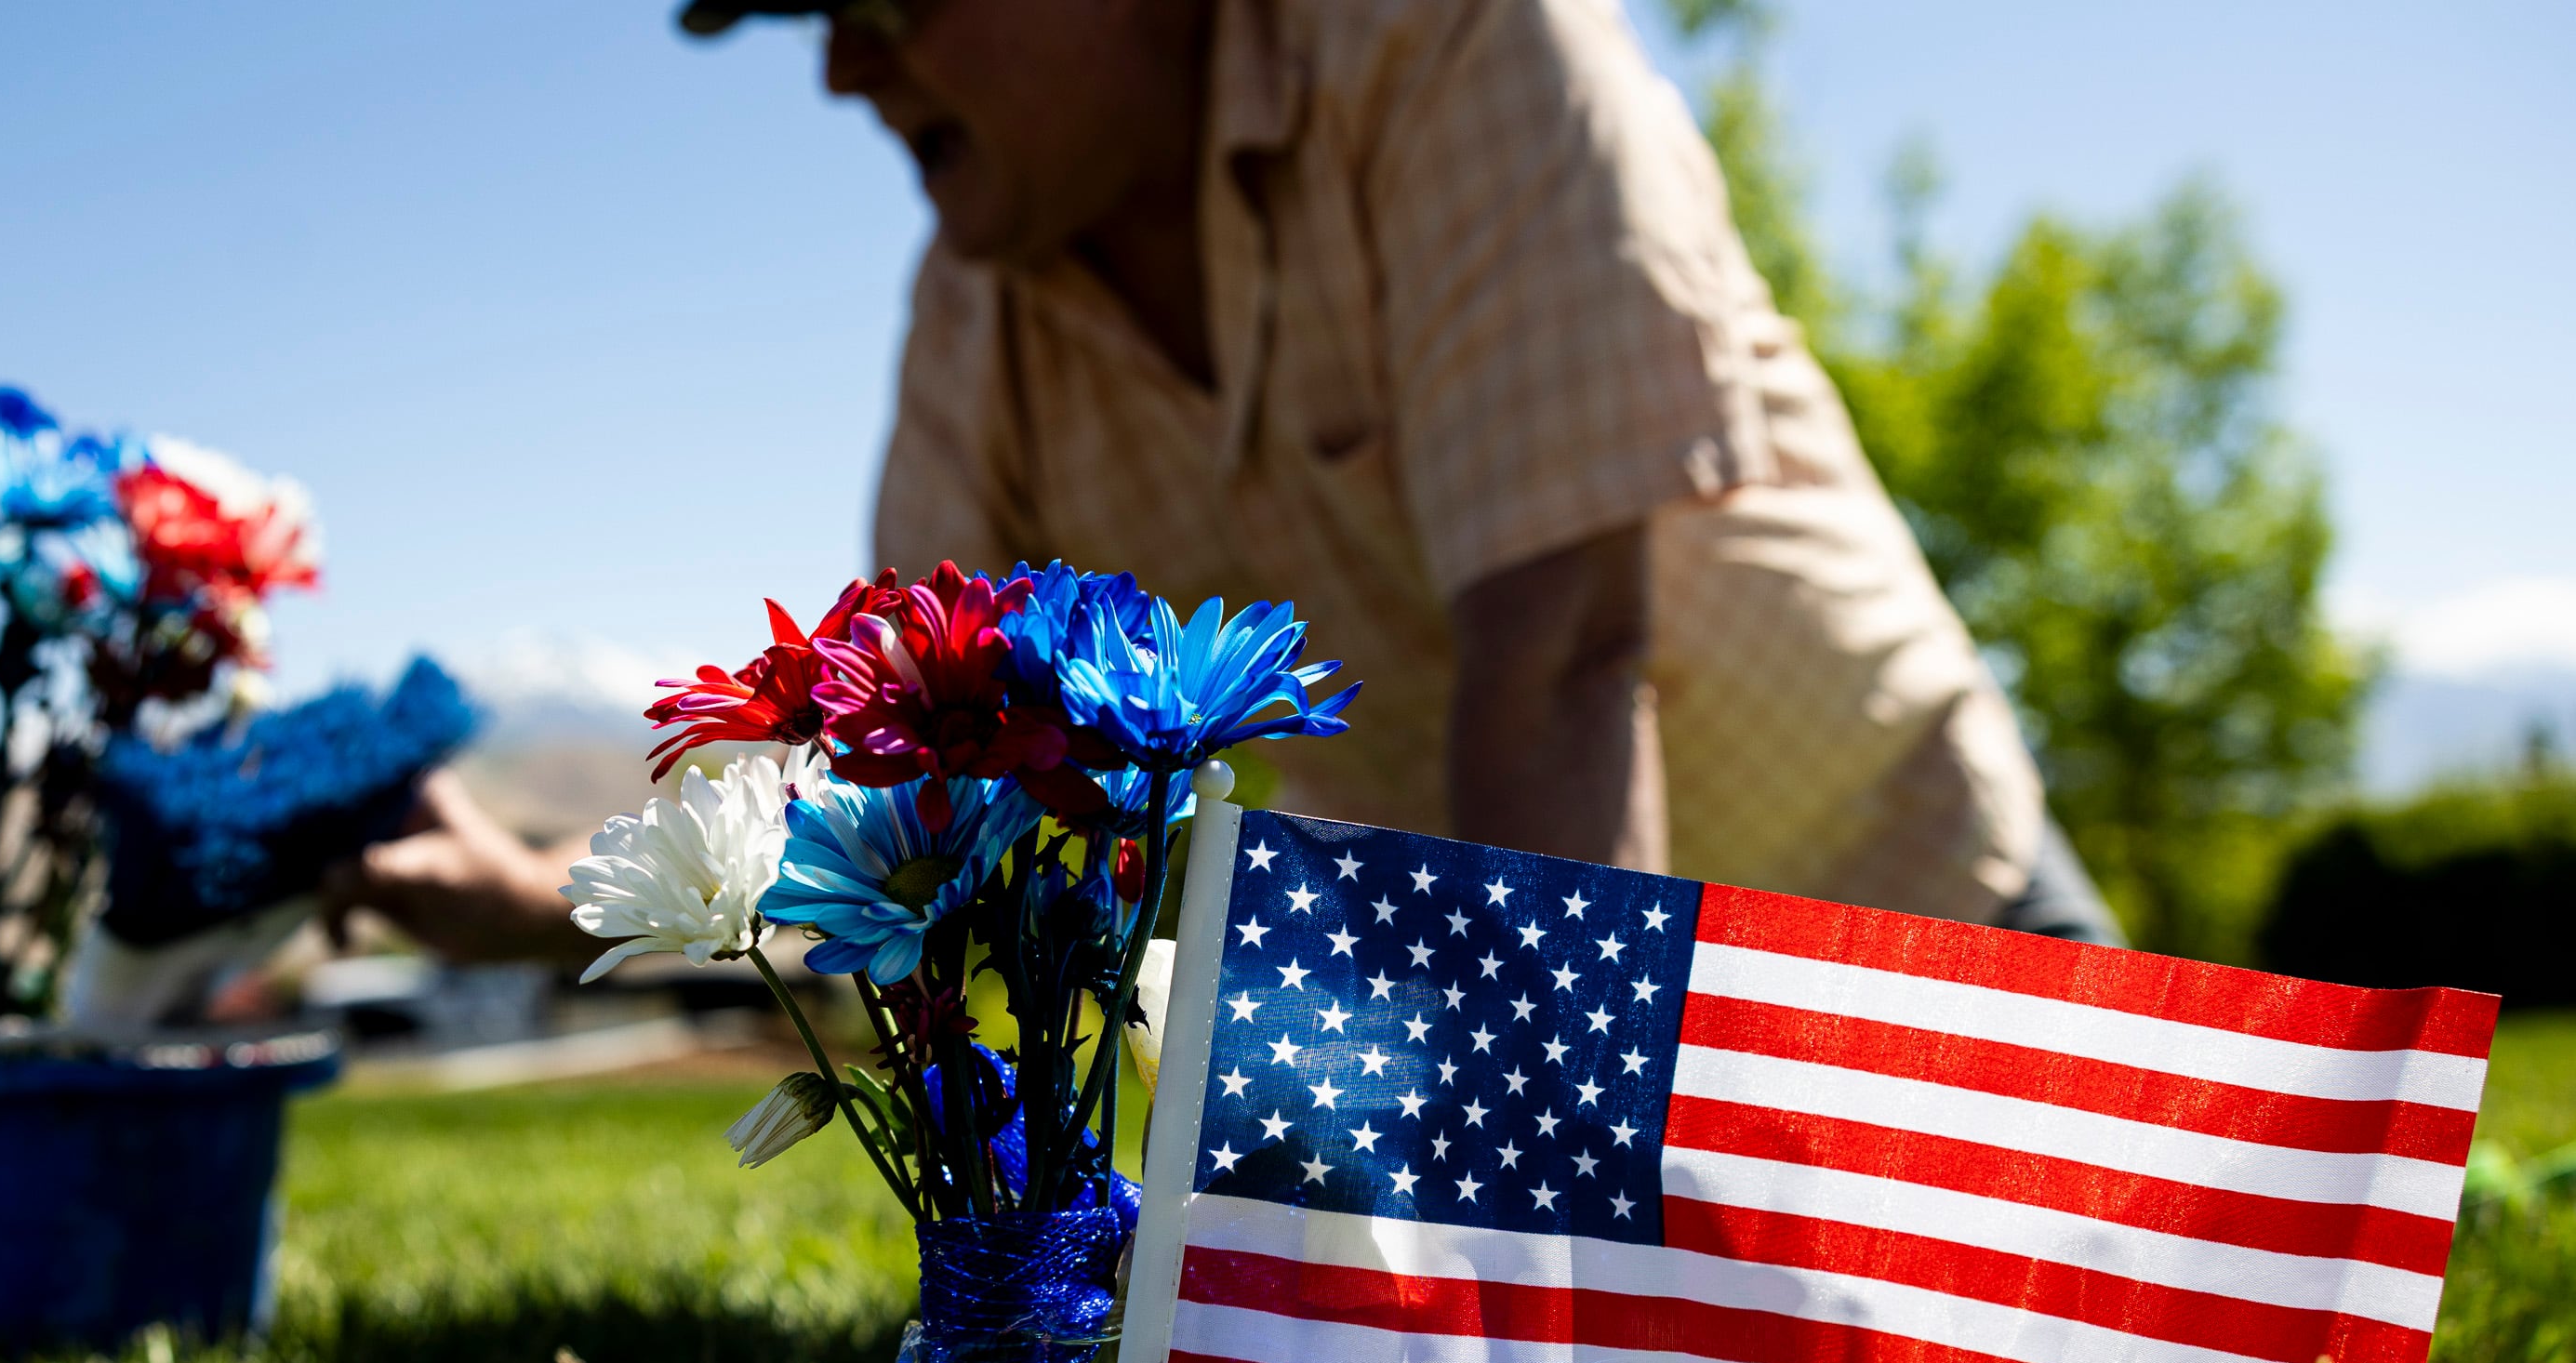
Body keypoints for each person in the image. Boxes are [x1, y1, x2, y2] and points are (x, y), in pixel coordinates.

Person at [332, 0, 2120, 954]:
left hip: (1927, 976)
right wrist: (552, 893)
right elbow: (902, 813)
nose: (838, 66)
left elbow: (1566, 663)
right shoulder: (977, 319)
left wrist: (1507, 1275)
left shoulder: (1450, 36)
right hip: (1508, 1066)